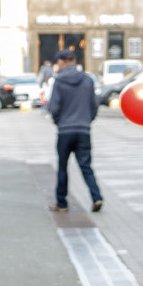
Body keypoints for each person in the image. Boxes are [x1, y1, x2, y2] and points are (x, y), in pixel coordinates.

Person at [45, 50, 104, 213]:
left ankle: (62, 203)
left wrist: (58, 121)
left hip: (65, 131)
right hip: (83, 130)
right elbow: (94, 105)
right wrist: (87, 121)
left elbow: (53, 107)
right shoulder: (87, 80)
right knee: (86, 166)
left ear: (62, 62)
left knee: (62, 167)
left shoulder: (59, 81)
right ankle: (96, 197)